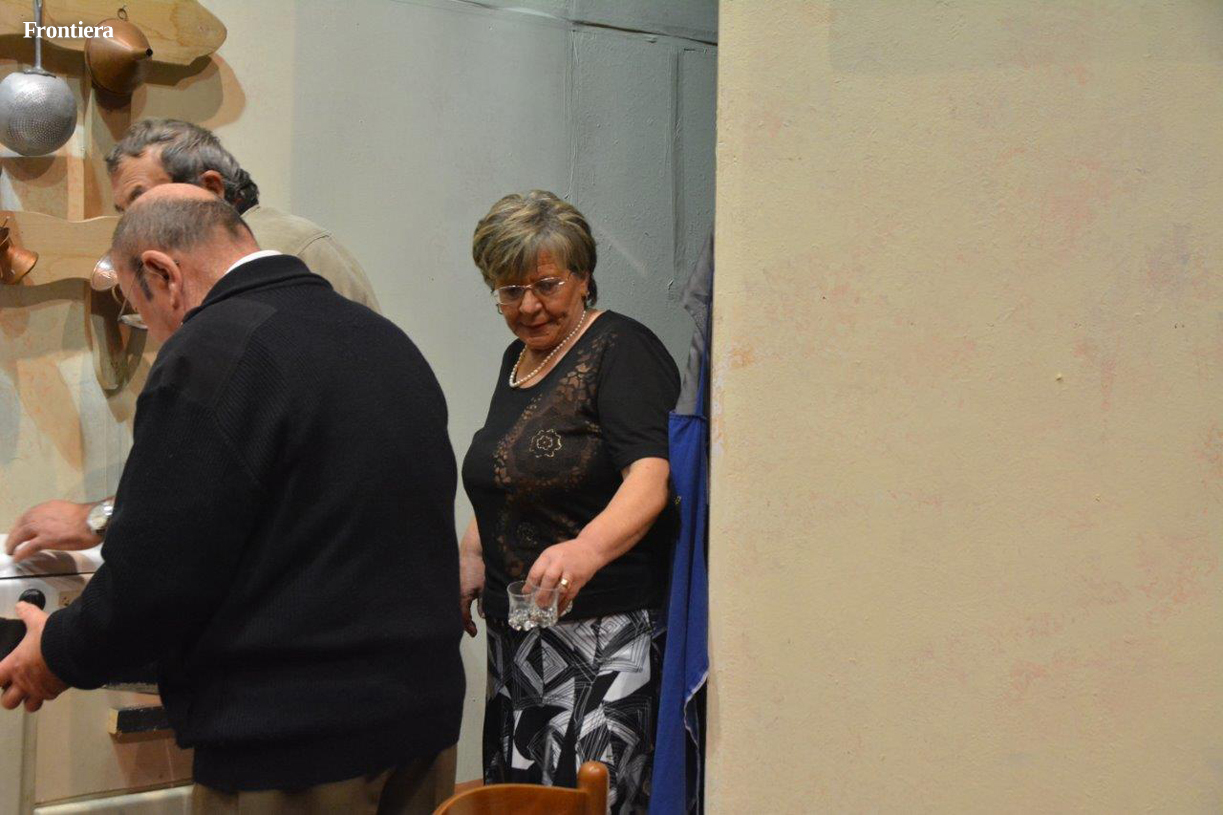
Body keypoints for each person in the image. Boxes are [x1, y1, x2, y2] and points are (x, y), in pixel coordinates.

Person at [0, 185, 464, 814]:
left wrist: (55, 654)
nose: (151, 333)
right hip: (422, 727)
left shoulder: (212, 351)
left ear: (162, 274)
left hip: (295, 747)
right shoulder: (382, 339)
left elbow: (156, 574)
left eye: (136, 306)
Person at [5, 117, 380, 563]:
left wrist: (100, 518)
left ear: (211, 189)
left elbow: (224, 459)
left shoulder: (282, 254)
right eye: (124, 213)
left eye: (141, 201)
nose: (130, 228)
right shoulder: (230, 269)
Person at [460, 190, 680, 813]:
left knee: (592, 799)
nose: (529, 307)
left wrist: (586, 549)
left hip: (604, 637)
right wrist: (471, 553)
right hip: (520, 637)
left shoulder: (621, 348)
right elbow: (509, 472)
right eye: (509, 291)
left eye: (547, 285)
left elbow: (651, 476)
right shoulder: (518, 359)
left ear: (583, 277)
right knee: (527, 800)